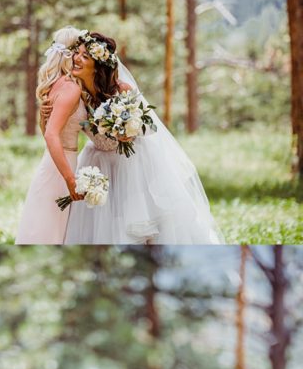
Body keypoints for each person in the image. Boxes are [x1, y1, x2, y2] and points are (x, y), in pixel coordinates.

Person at [64, 32, 223, 244]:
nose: (77, 58)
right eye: (77, 53)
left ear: (98, 65)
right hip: (99, 164)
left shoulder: (122, 90)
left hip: (134, 165)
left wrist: (127, 131)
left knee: (144, 225)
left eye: (85, 56)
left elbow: (149, 127)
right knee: (107, 226)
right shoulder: (75, 94)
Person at [15, 26, 86, 244]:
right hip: (62, 166)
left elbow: (46, 129)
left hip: (51, 162)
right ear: (71, 53)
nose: (83, 56)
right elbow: (51, 136)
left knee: (44, 228)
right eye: (80, 52)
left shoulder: (55, 85)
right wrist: (70, 179)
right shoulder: (71, 88)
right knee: (49, 232)